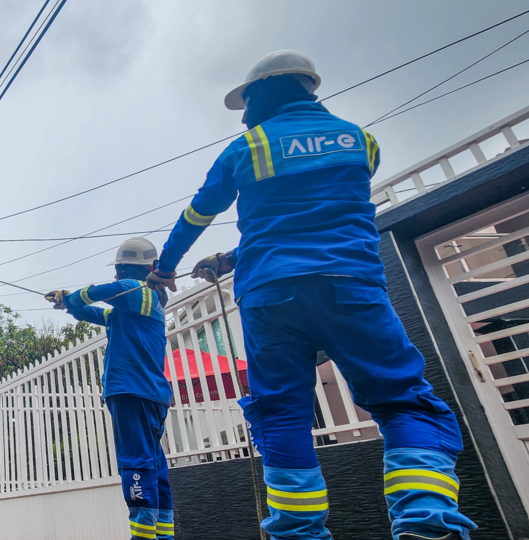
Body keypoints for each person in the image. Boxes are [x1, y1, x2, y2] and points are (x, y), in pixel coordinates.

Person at [144, 50, 475, 540]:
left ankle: (298, 531)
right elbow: (315, 218)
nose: (243, 114)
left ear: (263, 95)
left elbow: (199, 213)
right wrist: (230, 258)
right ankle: (426, 516)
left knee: (281, 413)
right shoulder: (361, 141)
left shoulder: (247, 147)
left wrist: (165, 268)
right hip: (352, 286)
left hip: (272, 296)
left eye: (245, 102)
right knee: (402, 401)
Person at [46, 238, 175, 540]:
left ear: (121, 270)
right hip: (153, 395)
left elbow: (92, 295)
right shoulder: (139, 308)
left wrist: (73, 295)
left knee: (136, 465)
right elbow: (90, 312)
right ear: (152, 266)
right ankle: (165, 535)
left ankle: (142, 536)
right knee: (154, 466)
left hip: (130, 392)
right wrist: (69, 304)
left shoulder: (135, 291)